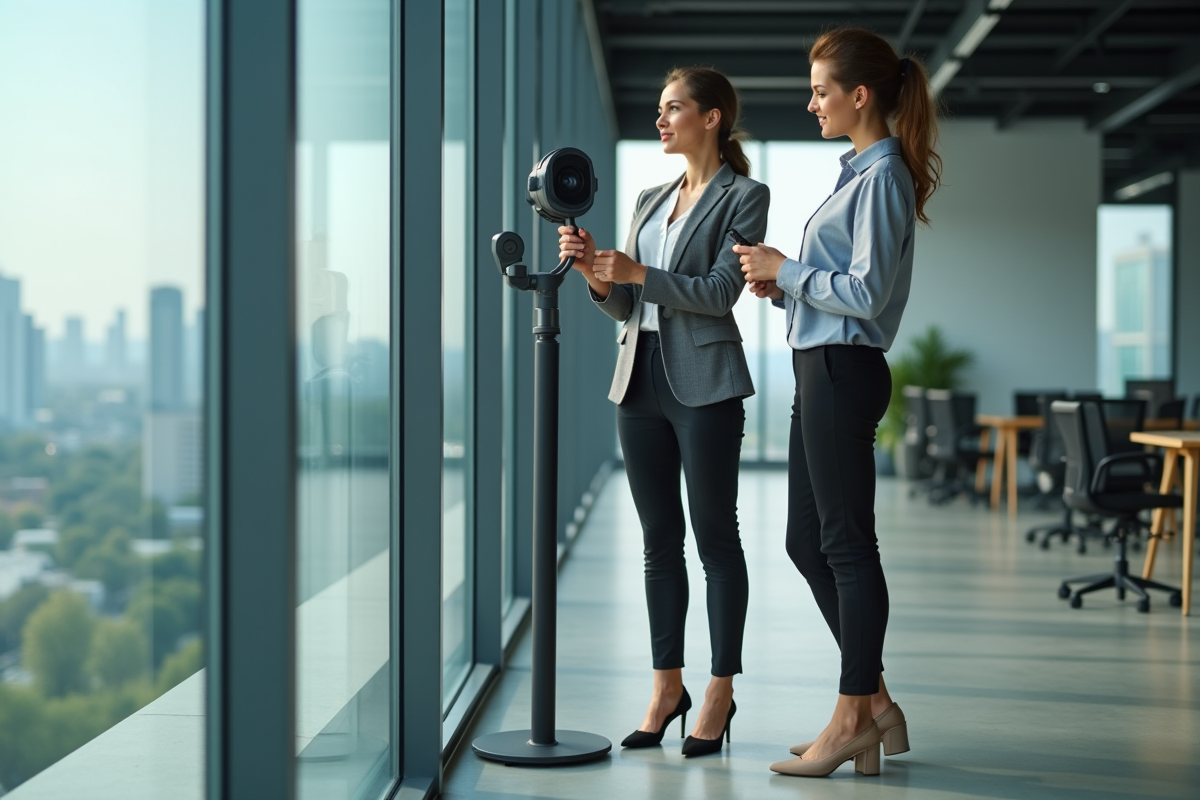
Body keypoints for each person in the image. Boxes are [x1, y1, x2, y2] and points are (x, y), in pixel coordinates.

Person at [735, 28, 942, 778]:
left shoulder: (882, 177)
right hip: (820, 367)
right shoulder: (858, 175)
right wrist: (779, 283)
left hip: (844, 372)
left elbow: (866, 293)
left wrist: (786, 270)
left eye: (822, 90)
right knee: (805, 539)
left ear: (861, 96)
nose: (812, 102)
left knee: (849, 545)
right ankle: (876, 699)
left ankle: (855, 712)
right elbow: (836, 289)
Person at [557, 66, 769, 758]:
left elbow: (717, 293)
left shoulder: (746, 196)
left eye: (674, 107)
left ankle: (719, 689)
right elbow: (628, 304)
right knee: (658, 542)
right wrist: (597, 274)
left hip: (705, 382)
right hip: (639, 381)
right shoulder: (650, 198)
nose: (661, 118)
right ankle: (665, 684)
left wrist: (637, 272)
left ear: (711, 118)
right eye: (659, 107)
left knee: (715, 537)